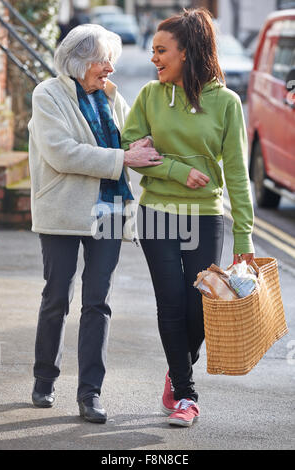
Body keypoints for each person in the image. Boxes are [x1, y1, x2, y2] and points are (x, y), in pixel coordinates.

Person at [121, 8, 255, 427]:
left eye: (162, 50)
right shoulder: (149, 96)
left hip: (205, 214)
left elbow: (236, 171)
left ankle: (177, 366)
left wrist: (245, 238)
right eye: (153, 51)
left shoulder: (227, 102)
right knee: (171, 304)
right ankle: (185, 394)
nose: (154, 58)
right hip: (157, 211)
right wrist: (177, 171)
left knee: (201, 309)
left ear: (187, 52)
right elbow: (132, 150)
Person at [28, 23, 162, 423]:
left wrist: (135, 149)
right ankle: (44, 379)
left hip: (110, 211)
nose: (111, 70)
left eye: (111, 63)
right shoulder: (47, 94)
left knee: (97, 303)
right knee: (56, 297)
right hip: (63, 213)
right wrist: (124, 158)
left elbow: (128, 143)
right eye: (104, 62)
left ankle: (90, 394)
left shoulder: (110, 97)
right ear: (80, 61)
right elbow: (62, 152)